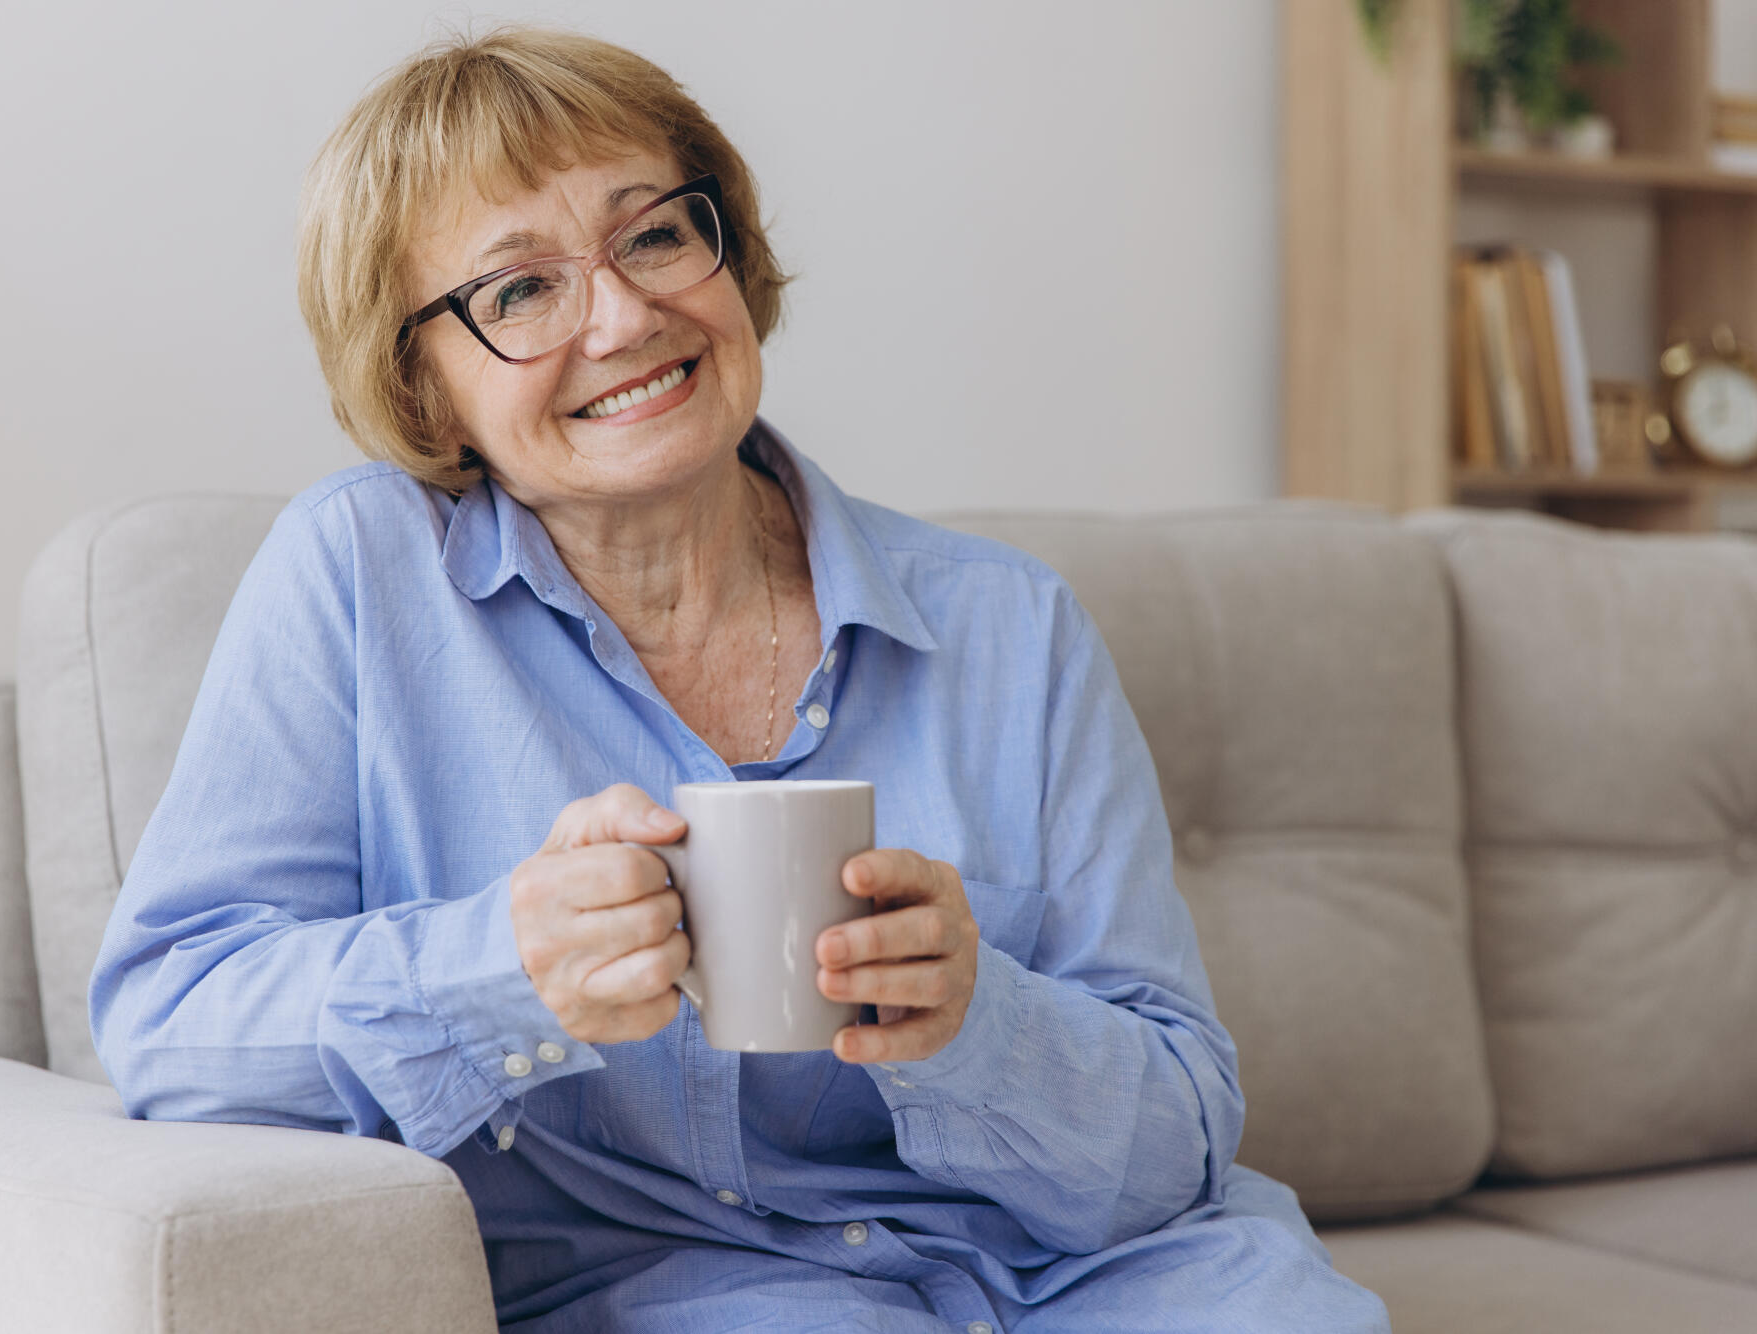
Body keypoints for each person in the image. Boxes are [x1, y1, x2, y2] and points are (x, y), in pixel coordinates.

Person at [87, 25, 1392, 1334]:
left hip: (1098, 1280)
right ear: (424, 383)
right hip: (679, 1288)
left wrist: (978, 1021)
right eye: (520, 291)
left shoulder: (1010, 626)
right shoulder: (361, 575)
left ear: (731, 252)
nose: (623, 314)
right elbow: (170, 1026)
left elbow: (1179, 1143)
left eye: (654, 234)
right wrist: (505, 966)